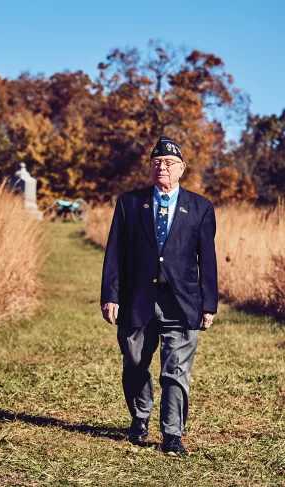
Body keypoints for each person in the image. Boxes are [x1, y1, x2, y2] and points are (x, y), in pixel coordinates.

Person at [100, 135, 218, 455]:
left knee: (175, 370)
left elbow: (207, 259)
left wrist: (208, 304)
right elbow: (114, 253)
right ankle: (140, 417)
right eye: (156, 163)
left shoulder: (201, 207)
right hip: (137, 298)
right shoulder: (129, 203)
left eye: (168, 163)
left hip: (181, 301)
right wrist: (110, 295)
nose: (161, 168)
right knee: (135, 361)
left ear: (181, 169)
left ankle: (172, 433)